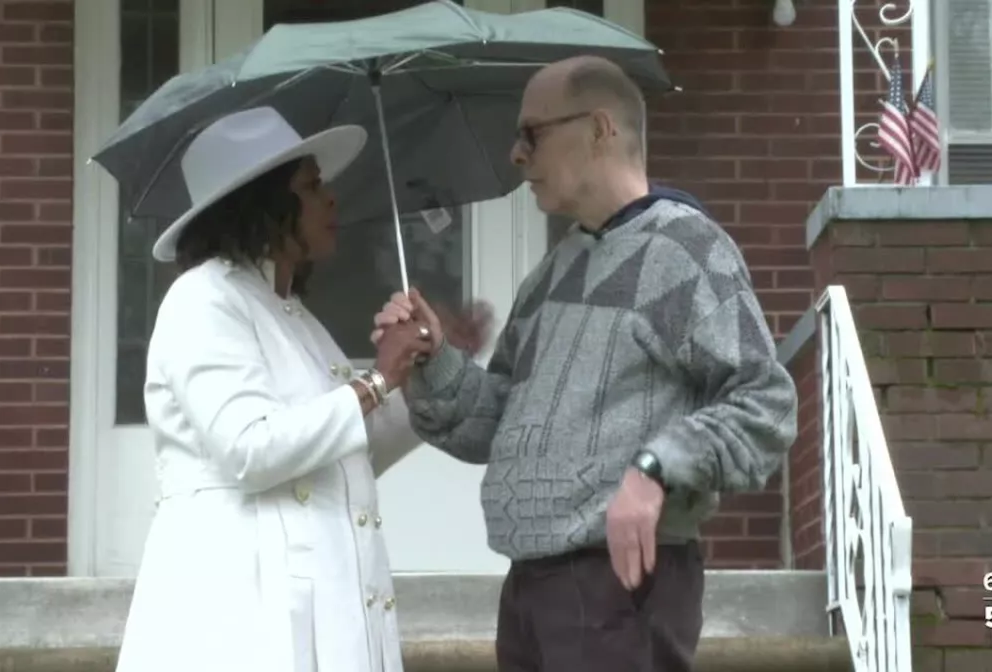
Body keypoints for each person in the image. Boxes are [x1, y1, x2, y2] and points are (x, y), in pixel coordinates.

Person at [373, 56, 800, 671]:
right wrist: (434, 361)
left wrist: (654, 469)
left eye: (532, 134)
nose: (517, 156)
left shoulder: (684, 249)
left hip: (619, 585)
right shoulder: (555, 271)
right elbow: (497, 422)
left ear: (600, 128)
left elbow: (766, 404)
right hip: (531, 585)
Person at [115, 106, 479, 672]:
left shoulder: (294, 317)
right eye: (311, 187)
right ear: (264, 205)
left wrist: (422, 368)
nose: (331, 199)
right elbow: (251, 449)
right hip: (236, 618)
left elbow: (346, 455)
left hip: (318, 613)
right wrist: (377, 378)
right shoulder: (202, 299)